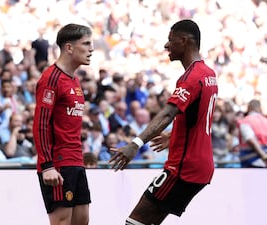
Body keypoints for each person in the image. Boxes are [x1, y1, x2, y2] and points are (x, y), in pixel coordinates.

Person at [109, 19, 218, 225]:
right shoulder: (209, 74)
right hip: (201, 165)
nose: (166, 45)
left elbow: (168, 113)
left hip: (184, 168)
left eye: (170, 40)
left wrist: (135, 144)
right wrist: (174, 135)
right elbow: (198, 116)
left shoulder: (191, 77)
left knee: (135, 221)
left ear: (184, 41)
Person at [33, 23, 94, 225]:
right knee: (61, 222)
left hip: (76, 160)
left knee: (82, 221)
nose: (91, 49)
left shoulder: (75, 80)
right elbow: (40, 124)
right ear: (69, 47)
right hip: (58, 164)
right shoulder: (51, 78)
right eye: (86, 44)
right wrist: (47, 165)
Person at [237, 99, 267, 168]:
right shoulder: (265, 120)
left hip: (252, 161)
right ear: (260, 108)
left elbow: (250, 139)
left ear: (249, 108)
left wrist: (264, 156)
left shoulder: (245, 121)